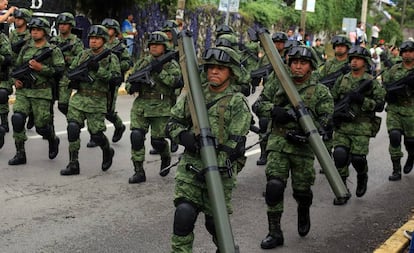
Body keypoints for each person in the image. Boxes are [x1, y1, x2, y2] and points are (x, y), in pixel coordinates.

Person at [165, 46, 251, 252]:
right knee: (183, 215)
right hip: (191, 169)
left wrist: (214, 165)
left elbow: (234, 145)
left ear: (231, 72)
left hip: (219, 173)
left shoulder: (238, 102)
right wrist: (185, 138)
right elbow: (172, 123)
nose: (213, 71)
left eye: (220, 68)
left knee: (216, 225)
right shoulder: (194, 97)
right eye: (211, 67)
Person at [257, 45, 333, 249]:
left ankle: (303, 208)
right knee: (274, 186)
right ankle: (274, 232)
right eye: (294, 62)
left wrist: (307, 128)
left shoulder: (320, 91)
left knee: (302, 190)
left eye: (303, 63)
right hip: (278, 143)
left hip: (303, 148)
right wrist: (275, 111)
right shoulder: (278, 83)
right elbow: (258, 104)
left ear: (311, 66)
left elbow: (326, 121)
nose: (297, 66)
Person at [60, 25, 121, 176]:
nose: (93, 41)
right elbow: (71, 71)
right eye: (91, 38)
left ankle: (107, 150)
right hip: (80, 97)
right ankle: (73, 163)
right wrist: (73, 79)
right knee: (73, 128)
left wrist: (98, 69)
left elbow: (115, 79)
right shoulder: (83, 54)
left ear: (104, 40)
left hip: (97, 100)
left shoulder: (111, 57)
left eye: (97, 39)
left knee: (96, 135)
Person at [331, 46, 385, 205]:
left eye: (358, 58)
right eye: (352, 58)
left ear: (365, 62)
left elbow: (380, 105)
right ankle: (342, 191)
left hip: (362, 126)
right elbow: (332, 99)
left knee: (358, 158)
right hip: (343, 125)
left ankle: (362, 175)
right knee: (340, 155)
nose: (354, 61)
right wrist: (336, 112)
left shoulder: (371, 82)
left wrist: (362, 100)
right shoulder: (342, 79)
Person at [124, 31, 181, 183]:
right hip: (141, 106)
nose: (154, 48)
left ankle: (165, 156)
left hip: (161, 107)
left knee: (157, 141)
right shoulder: (143, 62)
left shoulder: (171, 64)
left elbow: (176, 84)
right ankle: (139, 171)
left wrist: (160, 71)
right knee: (136, 136)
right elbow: (129, 82)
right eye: (152, 45)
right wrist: (133, 85)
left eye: (158, 45)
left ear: (165, 47)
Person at [8, 17, 65, 165]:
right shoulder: (26, 48)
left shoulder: (53, 50)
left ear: (45, 32)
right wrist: (16, 80)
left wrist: (42, 68)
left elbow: (59, 70)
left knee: (41, 127)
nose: (34, 32)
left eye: (38, 30)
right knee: (17, 119)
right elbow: (16, 67)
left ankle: (52, 139)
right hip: (24, 91)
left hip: (42, 92)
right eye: (32, 30)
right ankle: (20, 153)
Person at [85, 18, 132, 148]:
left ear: (115, 31)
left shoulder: (120, 47)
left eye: (110, 28)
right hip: (95, 80)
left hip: (111, 82)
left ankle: (119, 126)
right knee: (93, 108)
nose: (107, 30)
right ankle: (94, 135)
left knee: (108, 110)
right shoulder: (99, 44)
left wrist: (114, 62)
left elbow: (128, 63)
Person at [383, 41, 414, 181]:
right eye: (405, 51)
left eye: (411, 51)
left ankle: (411, 155)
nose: (407, 53)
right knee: (394, 136)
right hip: (395, 109)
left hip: (412, 110)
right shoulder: (394, 70)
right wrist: (388, 94)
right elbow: (385, 86)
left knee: (411, 141)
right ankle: (396, 170)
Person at [50, 12, 84, 116]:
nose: (62, 26)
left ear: (70, 25)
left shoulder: (76, 41)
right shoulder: (54, 40)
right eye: (60, 24)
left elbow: (81, 59)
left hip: (66, 76)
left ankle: (74, 119)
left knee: (63, 105)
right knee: (48, 104)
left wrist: (67, 59)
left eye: (65, 24)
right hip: (53, 74)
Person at [0, 21, 12, 148]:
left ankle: (3, 123)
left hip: (2, 77)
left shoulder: (2, 38)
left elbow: (8, 59)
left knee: (2, 95)